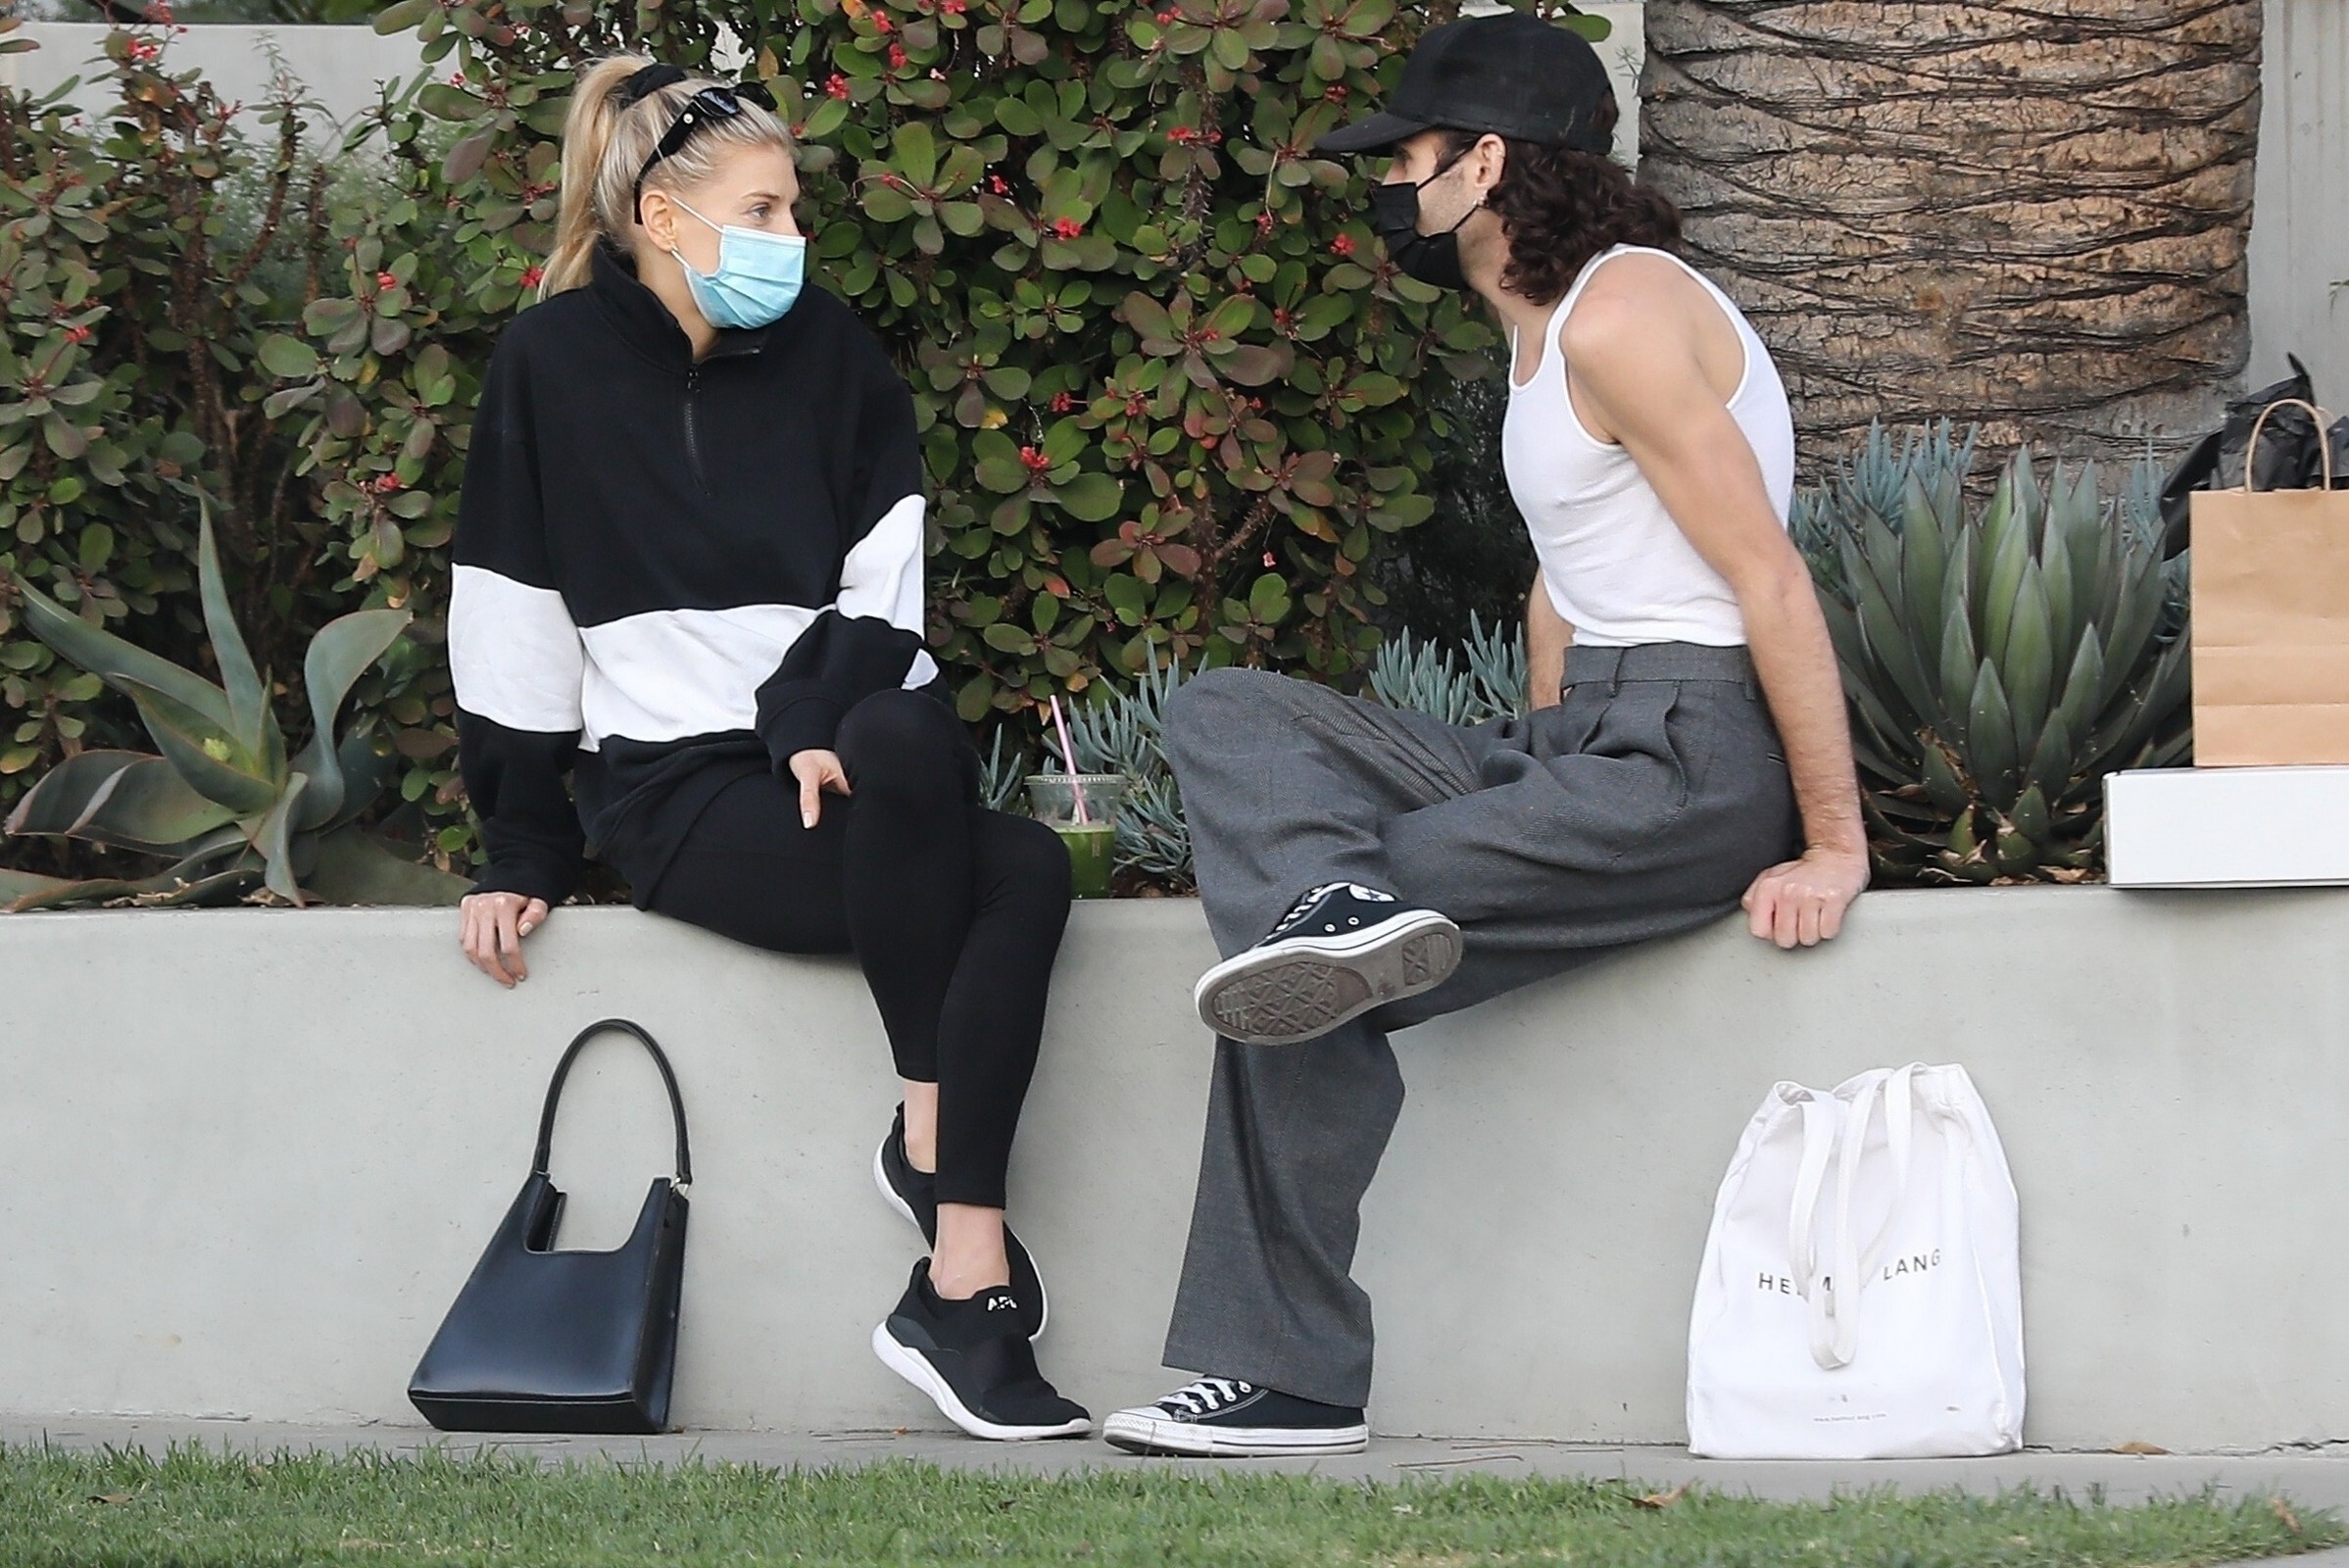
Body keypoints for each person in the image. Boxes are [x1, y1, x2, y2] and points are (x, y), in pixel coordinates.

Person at [1101, 12, 1870, 1457]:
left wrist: (1831, 842)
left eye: (1407, 157)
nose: (1389, 185)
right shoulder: (1541, 327)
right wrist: (1542, 744)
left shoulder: (1623, 315)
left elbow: (1767, 573)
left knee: (1296, 964)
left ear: (1489, 162)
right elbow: (1566, 578)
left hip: (1691, 756)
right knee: (1231, 726)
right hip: (1587, 741)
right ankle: (1329, 927)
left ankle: (1290, 1381)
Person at [448, 55, 1089, 1442]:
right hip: (676, 791)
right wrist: (522, 847)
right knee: (1022, 871)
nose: (792, 237)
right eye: (764, 209)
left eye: (794, 209)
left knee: (911, 741)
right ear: (660, 217)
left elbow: (885, 594)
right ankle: (956, 1241)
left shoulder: (834, 354)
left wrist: (804, 724)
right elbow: (511, 615)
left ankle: (945, 1207)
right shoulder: (547, 366)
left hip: (847, 755)